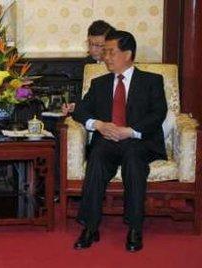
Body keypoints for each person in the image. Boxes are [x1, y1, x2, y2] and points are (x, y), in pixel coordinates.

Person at [72, 30, 167, 252]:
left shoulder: (152, 81)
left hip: (138, 141)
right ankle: (90, 226)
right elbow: (81, 111)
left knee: (134, 160)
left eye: (111, 52)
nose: (106, 57)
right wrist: (98, 125)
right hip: (108, 140)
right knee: (96, 157)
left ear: (128, 54)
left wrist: (130, 131)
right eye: (104, 52)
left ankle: (135, 228)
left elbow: (158, 113)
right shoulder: (99, 83)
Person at [62, 20, 116, 116]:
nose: (93, 49)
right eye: (90, 44)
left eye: (99, 45)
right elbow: (81, 93)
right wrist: (73, 105)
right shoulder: (86, 64)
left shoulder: (120, 65)